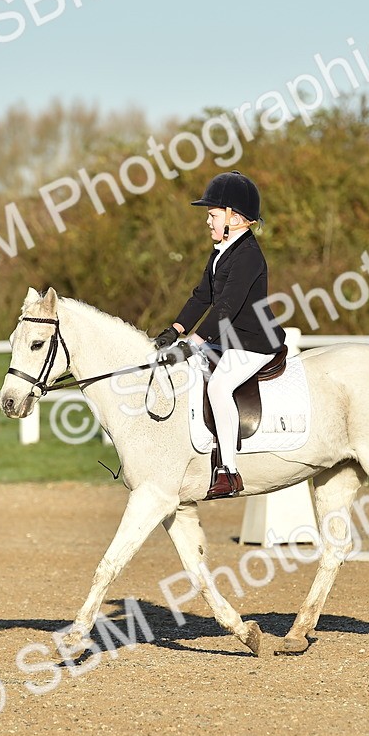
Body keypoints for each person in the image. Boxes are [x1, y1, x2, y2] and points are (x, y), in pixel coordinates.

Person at [152, 171, 286, 499]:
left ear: (234, 218)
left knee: (219, 386)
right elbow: (202, 296)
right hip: (227, 338)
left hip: (254, 341)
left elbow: (227, 306)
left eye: (212, 215)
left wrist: (194, 343)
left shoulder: (249, 255)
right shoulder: (221, 250)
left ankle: (229, 471)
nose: (207, 221)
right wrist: (175, 330)